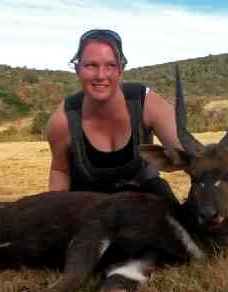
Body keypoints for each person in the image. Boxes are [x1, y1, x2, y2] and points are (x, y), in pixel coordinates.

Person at [45, 29, 181, 205]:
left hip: (143, 203)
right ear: (78, 70)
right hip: (89, 209)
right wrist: (58, 212)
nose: (101, 75)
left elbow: (186, 152)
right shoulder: (63, 119)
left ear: (121, 70)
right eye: (91, 65)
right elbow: (59, 170)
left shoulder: (145, 103)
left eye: (110, 65)